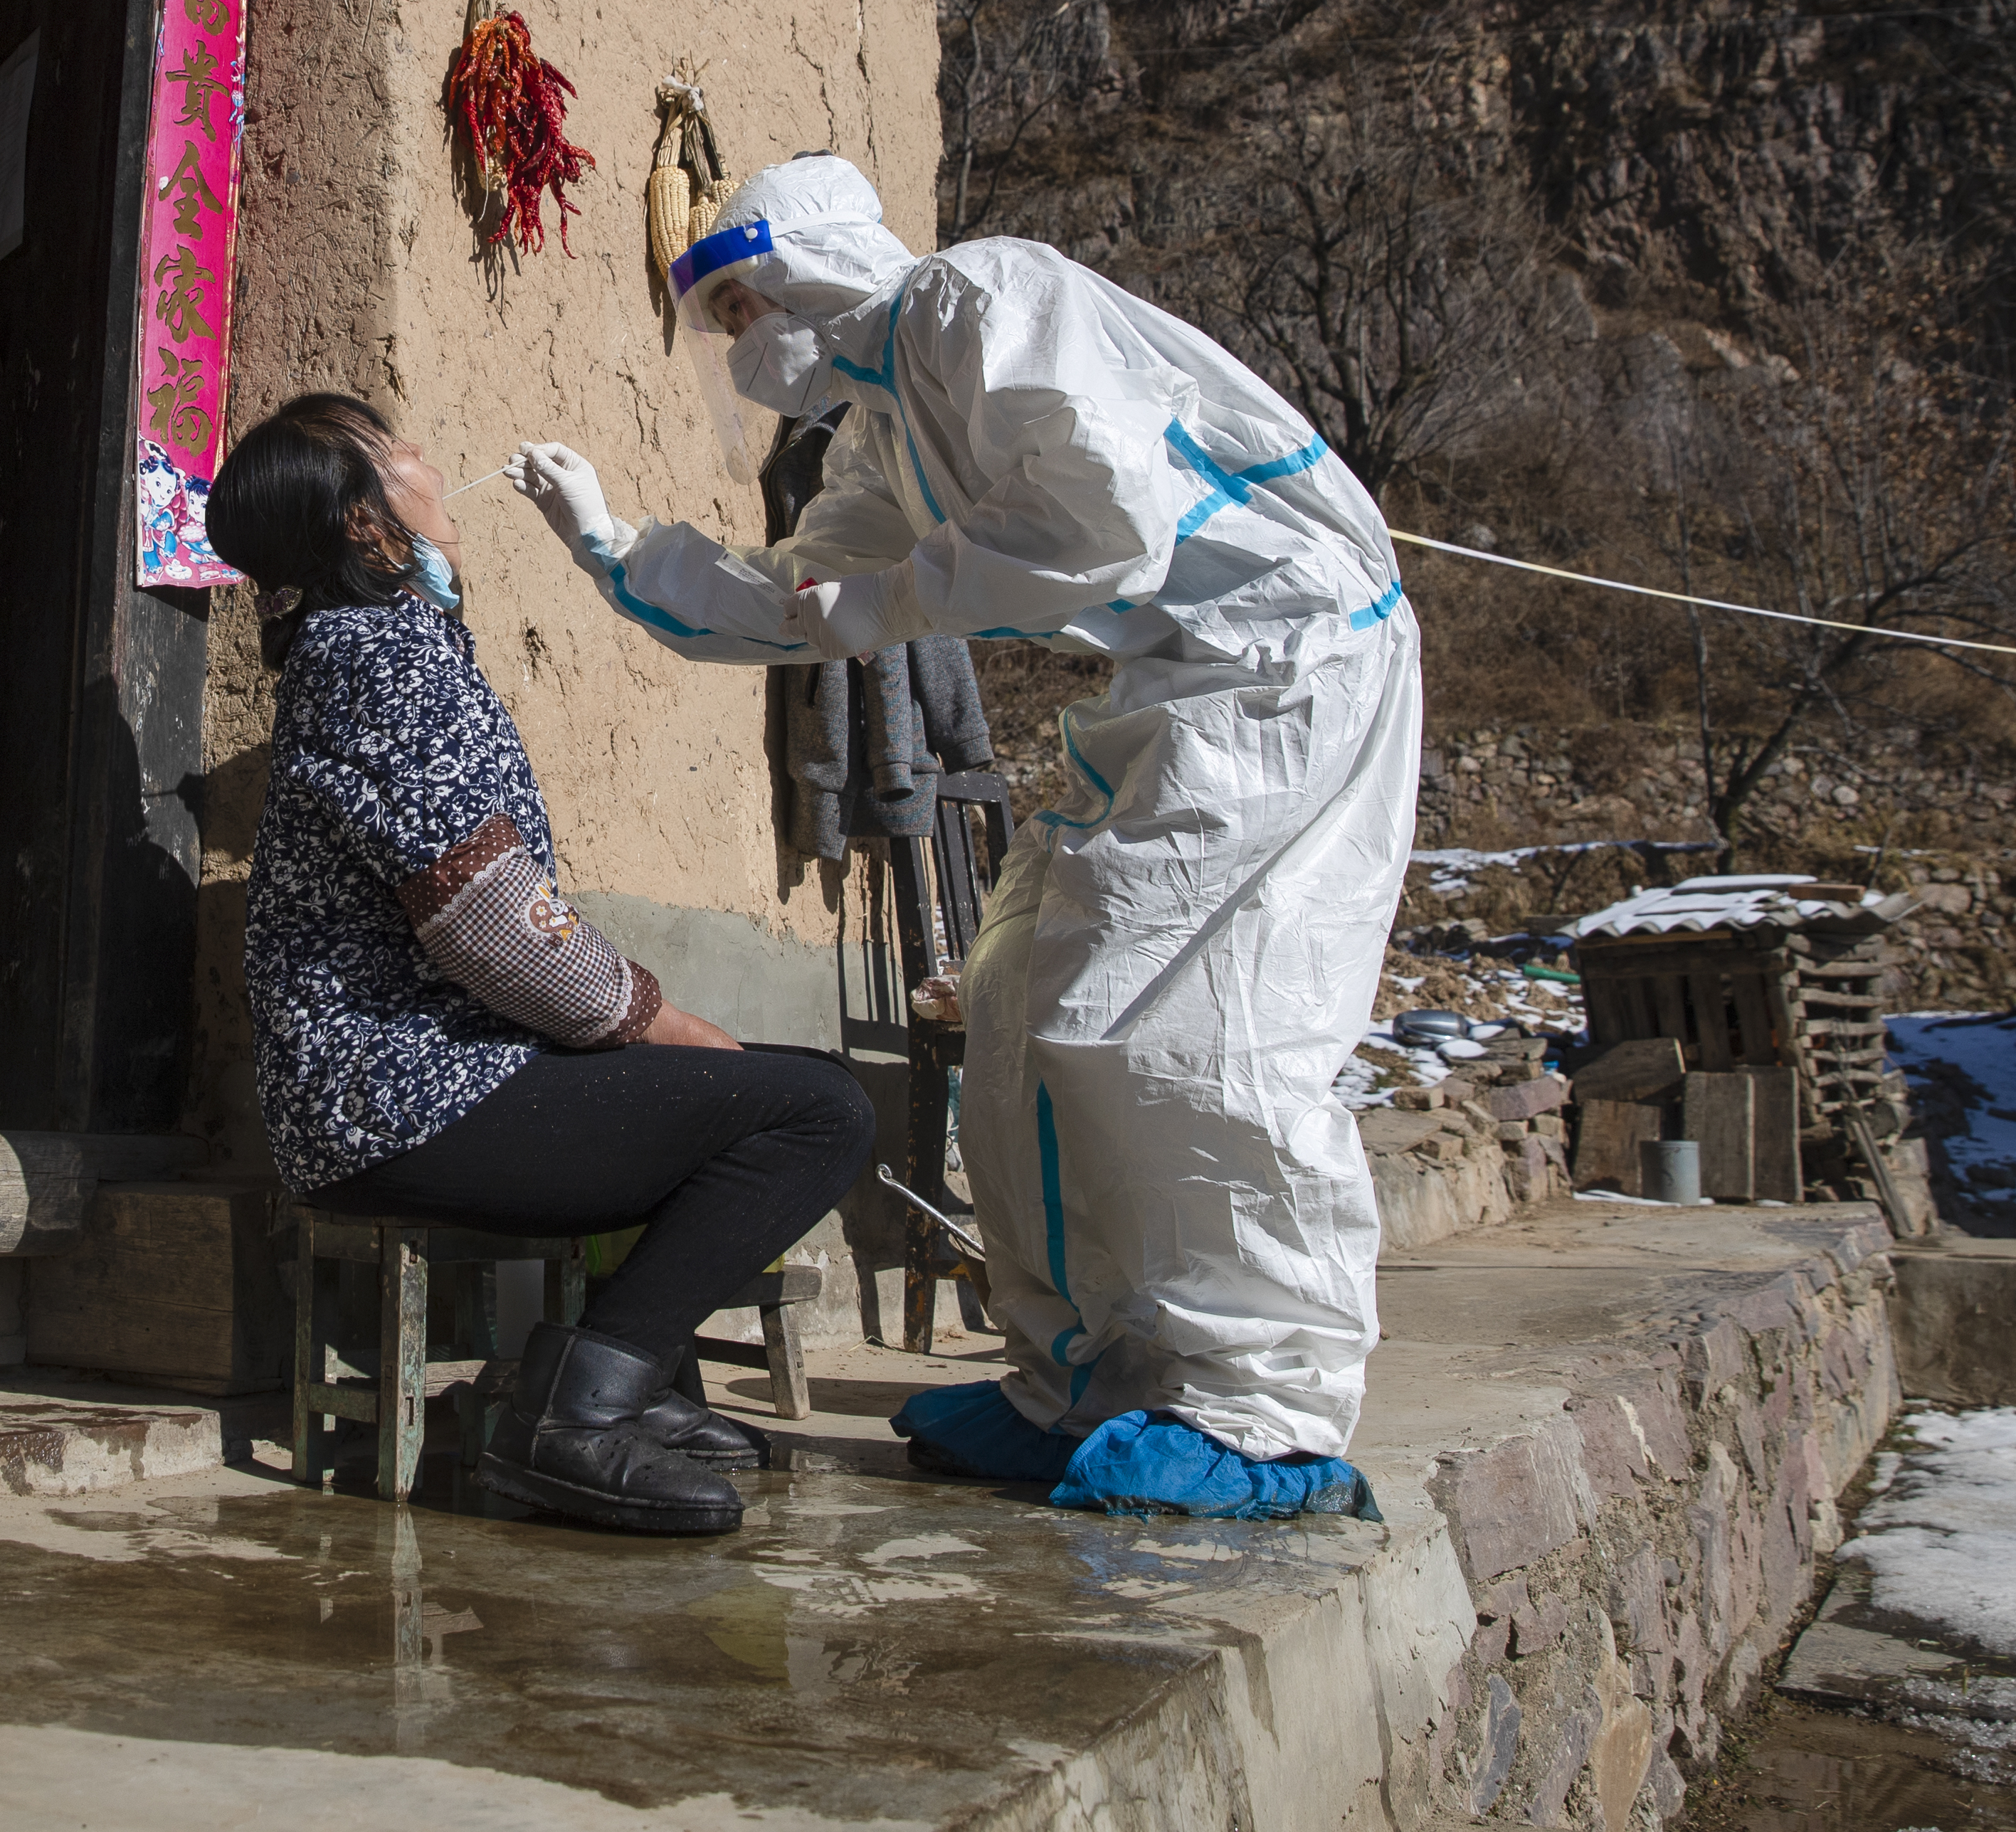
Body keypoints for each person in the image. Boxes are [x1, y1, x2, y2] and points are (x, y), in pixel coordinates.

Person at [505, 157, 1418, 1521]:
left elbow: (1100, 522)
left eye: (750, 302)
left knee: (1185, 1032)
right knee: (1015, 1010)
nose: (746, 341)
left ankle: (1262, 1411)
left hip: (1286, 670)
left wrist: (888, 604)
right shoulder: (882, 429)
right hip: (1169, 689)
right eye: (729, 318)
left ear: (810, 267)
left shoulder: (983, 297)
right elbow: (805, 600)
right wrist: (618, 551)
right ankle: (1073, 1381)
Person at [209, 392, 874, 1537]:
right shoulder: (378, 663)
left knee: (732, 1093)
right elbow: (493, 928)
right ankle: (568, 1417)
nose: (426, 461)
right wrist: (670, 1026)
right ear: (367, 525)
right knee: (816, 1113)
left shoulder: (380, 652)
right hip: (400, 1103)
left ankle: (647, 1389)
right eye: (396, 453)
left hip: (400, 1094)